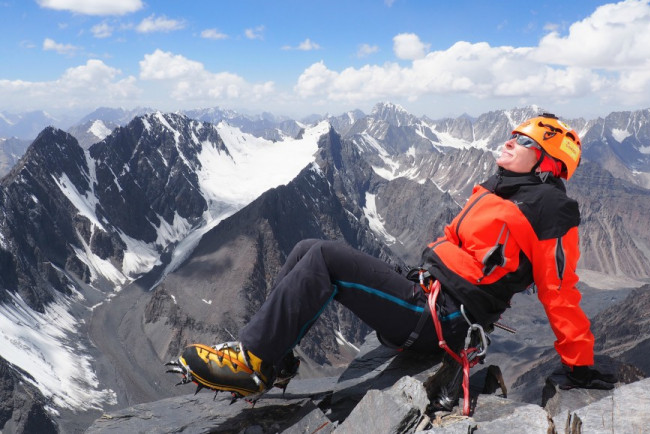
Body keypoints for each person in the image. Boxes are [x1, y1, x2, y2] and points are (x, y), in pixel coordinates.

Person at [169, 113, 616, 406]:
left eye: (523, 140)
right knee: (307, 248)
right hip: (428, 299)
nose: (509, 142)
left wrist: (579, 364)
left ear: (547, 162)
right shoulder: (502, 189)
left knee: (324, 259)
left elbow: (561, 290)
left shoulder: (550, 209)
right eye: (514, 134)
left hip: (445, 320)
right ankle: (271, 357)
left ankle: (250, 363)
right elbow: (455, 244)